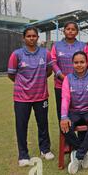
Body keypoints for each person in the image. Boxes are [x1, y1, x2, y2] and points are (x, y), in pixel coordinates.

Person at [7, 27, 54, 167]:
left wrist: (38, 82)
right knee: (21, 126)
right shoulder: (17, 54)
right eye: (29, 36)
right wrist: (24, 84)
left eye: (34, 36)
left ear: (38, 37)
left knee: (43, 124)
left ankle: (45, 150)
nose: (32, 38)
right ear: (24, 38)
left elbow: (49, 71)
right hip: (22, 97)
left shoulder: (45, 53)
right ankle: (23, 154)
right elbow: (11, 74)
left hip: (41, 96)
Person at [60, 52, 88, 174]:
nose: (79, 65)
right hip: (74, 112)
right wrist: (64, 117)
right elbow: (65, 98)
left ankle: (78, 155)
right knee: (65, 127)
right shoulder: (68, 78)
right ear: (72, 64)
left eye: (82, 62)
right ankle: (83, 151)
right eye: (76, 62)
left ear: (87, 63)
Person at [51, 22, 86, 123]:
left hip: (80, 85)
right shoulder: (56, 45)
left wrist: (76, 78)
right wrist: (61, 76)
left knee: (80, 113)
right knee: (62, 113)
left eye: (73, 29)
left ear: (77, 32)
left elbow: (85, 63)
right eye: (68, 29)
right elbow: (53, 62)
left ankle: (82, 138)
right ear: (63, 31)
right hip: (60, 84)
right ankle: (66, 137)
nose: (70, 31)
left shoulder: (82, 46)